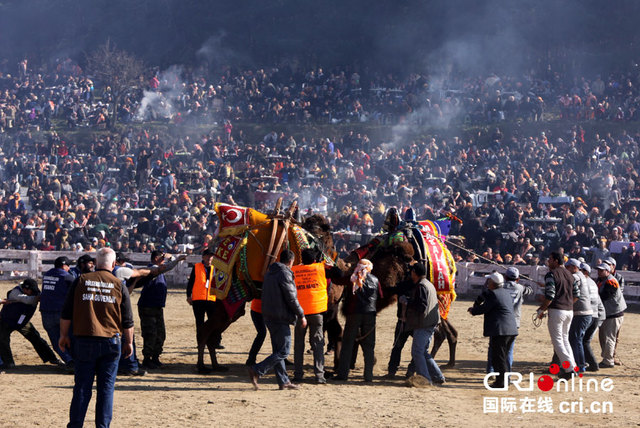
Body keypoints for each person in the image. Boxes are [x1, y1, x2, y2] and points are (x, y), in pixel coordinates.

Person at [60, 247, 134, 428]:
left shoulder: (81, 280)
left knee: (82, 387)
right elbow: (128, 320)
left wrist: (63, 335)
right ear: (114, 264)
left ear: (96, 262)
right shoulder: (118, 284)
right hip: (111, 341)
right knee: (106, 389)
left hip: (84, 340)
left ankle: (75, 425)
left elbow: (66, 312)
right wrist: (129, 342)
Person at [247, 250, 306, 390]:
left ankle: (283, 381)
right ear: (291, 261)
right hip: (280, 316)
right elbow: (291, 297)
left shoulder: (270, 273)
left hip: (269, 315)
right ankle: (257, 370)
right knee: (284, 351)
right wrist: (301, 315)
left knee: (278, 350)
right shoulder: (285, 273)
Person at [468, 272, 518, 388]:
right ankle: (504, 380)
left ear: (493, 283)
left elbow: (485, 308)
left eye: (488, 281)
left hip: (500, 330)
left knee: (498, 357)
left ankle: (501, 382)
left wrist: (473, 310)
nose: (487, 283)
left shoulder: (493, 294)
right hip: (510, 329)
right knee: (503, 357)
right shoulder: (505, 293)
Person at [0, 278, 59, 370]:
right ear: (25, 289)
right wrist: (39, 298)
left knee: (36, 338)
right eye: (31, 291)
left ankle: (52, 358)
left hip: (22, 321)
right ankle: (8, 362)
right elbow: (28, 300)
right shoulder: (15, 293)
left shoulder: (33, 291)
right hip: (7, 320)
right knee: (2, 339)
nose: (33, 293)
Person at [536, 252, 579, 379]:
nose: (548, 262)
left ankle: (569, 369)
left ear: (555, 261)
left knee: (558, 341)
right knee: (565, 340)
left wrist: (541, 309)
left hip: (557, 310)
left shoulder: (551, 274)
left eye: (549, 259)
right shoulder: (570, 275)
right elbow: (577, 294)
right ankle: (572, 366)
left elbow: (550, 295)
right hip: (569, 310)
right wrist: (566, 303)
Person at [335, 259, 378, 383]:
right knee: (369, 346)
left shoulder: (352, 278)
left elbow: (337, 280)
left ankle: (343, 374)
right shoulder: (375, 280)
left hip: (354, 314)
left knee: (347, 344)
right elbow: (379, 295)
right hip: (370, 315)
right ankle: (368, 376)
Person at [402, 263, 444, 387]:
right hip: (431, 322)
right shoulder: (429, 284)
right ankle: (437, 376)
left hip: (423, 323)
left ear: (415, 272)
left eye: (411, 272)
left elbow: (422, 306)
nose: (410, 273)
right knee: (424, 351)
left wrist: (408, 302)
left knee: (417, 351)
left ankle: (425, 379)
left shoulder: (421, 286)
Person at [292, 248, 328, 384]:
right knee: (318, 344)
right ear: (314, 260)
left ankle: (298, 375)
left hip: (300, 313)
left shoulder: (294, 270)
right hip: (317, 311)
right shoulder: (320, 268)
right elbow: (339, 272)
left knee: (299, 345)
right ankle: (319, 375)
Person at [186, 248, 224, 373]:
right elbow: (191, 282)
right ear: (203, 257)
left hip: (211, 299)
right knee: (200, 323)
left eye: (211, 257)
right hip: (198, 299)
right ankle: (200, 343)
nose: (209, 259)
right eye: (208, 257)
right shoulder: (197, 267)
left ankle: (213, 343)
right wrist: (188, 295)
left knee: (212, 325)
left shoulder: (215, 269)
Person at [488, 266, 532, 372]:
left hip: (498, 321)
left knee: (493, 348)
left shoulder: (500, 288)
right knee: (508, 350)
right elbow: (529, 291)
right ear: (517, 279)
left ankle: (491, 370)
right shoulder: (520, 288)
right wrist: (529, 284)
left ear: (505, 277)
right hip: (513, 322)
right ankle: (507, 372)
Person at [40, 256, 75, 371]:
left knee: (56, 341)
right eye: (68, 266)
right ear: (64, 266)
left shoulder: (46, 275)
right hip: (61, 313)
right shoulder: (67, 277)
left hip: (45, 312)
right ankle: (74, 361)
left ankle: (68, 361)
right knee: (68, 337)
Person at [138, 250, 168, 369]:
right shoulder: (151, 270)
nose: (164, 260)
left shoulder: (158, 271)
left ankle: (155, 357)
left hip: (157, 306)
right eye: (162, 258)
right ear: (156, 258)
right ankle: (147, 358)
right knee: (151, 333)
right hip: (148, 306)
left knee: (160, 333)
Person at [596, 263, 626, 368]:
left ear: (608, 271)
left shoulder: (611, 281)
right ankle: (608, 358)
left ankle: (608, 360)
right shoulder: (602, 280)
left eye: (601, 270)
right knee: (605, 337)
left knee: (609, 338)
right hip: (609, 313)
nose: (599, 272)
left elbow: (605, 295)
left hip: (614, 313)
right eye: (598, 270)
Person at [384, 277, 415, 378]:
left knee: (398, 346)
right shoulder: (422, 285)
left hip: (405, 321)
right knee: (418, 348)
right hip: (414, 322)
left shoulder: (403, 285)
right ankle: (410, 370)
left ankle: (392, 370)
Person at [566, 258, 592, 373]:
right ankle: (580, 364)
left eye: (568, 267)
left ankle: (580, 365)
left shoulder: (576, 277)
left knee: (575, 339)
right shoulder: (582, 276)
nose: (567, 270)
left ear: (574, 267)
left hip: (581, 313)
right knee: (577, 339)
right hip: (585, 313)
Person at [580, 263, 605, 371]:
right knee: (585, 341)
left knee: (580, 340)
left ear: (584, 272)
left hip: (588, 314)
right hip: (596, 314)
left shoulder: (584, 282)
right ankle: (590, 363)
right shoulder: (593, 283)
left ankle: (584, 363)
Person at [603, 257, 624, 365]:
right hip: (608, 311)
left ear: (613, 266)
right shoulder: (602, 278)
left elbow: (608, 295)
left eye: (608, 264)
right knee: (608, 336)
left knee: (612, 336)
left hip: (614, 310)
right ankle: (609, 357)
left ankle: (610, 358)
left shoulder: (615, 279)